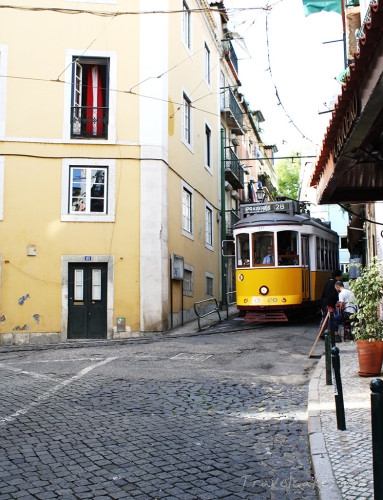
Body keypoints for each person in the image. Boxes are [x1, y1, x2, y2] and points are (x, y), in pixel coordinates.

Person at [319, 269, 342, 339]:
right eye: (340, 276)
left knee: (324, 318)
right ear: (337, 276)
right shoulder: (336, 283)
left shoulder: (328, 282)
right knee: (331, 318)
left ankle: (322, 333)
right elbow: (336, 294)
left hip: (323, 302)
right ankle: (330, 333)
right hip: (330, 303)